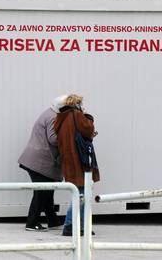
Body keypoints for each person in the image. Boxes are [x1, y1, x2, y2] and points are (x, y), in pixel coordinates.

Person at [18, 95, 67, 231]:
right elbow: (53, 139)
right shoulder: (53, 117)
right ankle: (31, 223)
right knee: (42, 192)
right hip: (39, 161)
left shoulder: (49, 112)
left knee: (47, 191)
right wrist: (68, 138)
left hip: (36, 160)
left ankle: (53, 221)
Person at [54, 94, 100, 236]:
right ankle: (70, 225)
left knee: (80, 194)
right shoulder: (77, 115)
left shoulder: (61, 118)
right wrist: (87, 116)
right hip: (79, 161)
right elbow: (88, 129)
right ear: (77, 104)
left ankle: (81, 226)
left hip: (69, 160)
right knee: (81, 194)